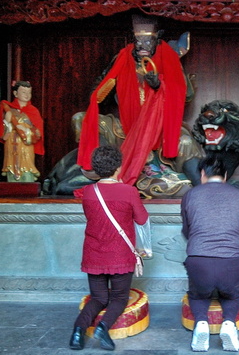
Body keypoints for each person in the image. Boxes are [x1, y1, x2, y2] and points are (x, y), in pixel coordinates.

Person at [77, 14, 202, 188]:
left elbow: (186, 94)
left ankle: (198, 184)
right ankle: (99, 171)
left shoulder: (168, 57)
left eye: (147, 41)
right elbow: (98, 90)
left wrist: (160, 86)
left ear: (157, 39)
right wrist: (103, 90)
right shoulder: (122, 59)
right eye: (138, 41)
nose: (142, 45)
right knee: (81, 119)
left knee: (185, 142)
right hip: (127, 123)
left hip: (159, 124)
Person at [69, 145, 149, 351]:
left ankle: (77, 332)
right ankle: (103, 328)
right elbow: (142, 219)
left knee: (98, 298)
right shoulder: (129, 191)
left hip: (94, 254)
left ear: (96, 168)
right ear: (118, 167)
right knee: (119, 297)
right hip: (120, 254)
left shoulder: (87, 192)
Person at [180, 156, 239, 352]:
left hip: (199, 262)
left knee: (198, 295)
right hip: (232, 262)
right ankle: (229, 324)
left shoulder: (190, 195)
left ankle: (201, 325)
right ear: (225, 175)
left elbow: (187, 230)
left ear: (202, 174)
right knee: (232, 295)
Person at [0, 80, 44, 182]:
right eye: (23, 92)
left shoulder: (33, 111)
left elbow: (38, 133)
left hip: (25, 145)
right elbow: (3, 135)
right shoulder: (9, 109)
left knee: (27, 170)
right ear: (15, 93)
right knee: (11, 170)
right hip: (11, 144)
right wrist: (7, 123)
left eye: (29, 92)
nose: (27, 95)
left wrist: (25, 130)